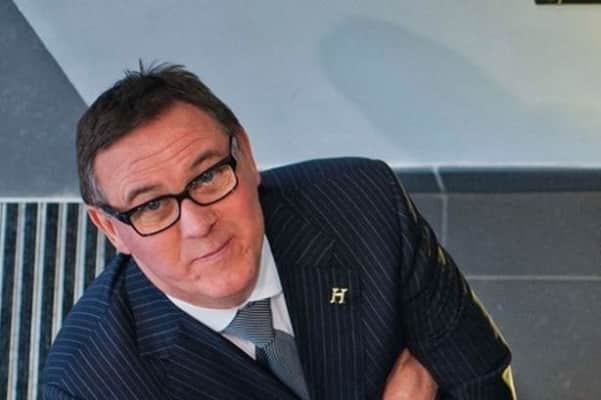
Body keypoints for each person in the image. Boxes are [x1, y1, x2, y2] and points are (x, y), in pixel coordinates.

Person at [43, 63, 515, 399]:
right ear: (110, 228)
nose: (198, 224)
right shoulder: (86, 384)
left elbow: (478, 376)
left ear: (246, 155)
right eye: (151, 206)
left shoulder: (363, 199)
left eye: (208, 176)